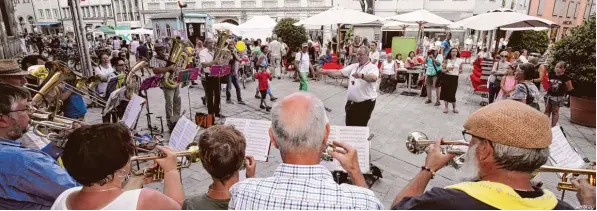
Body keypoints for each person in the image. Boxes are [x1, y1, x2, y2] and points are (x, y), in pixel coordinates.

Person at [391, 100, 574, 210]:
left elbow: (397, 207)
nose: (468, 145)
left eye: (472, 140)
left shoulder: (444, 202)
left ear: (485, 150)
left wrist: (428, 169)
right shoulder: (563, 208)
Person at [229, 92, 384, 209]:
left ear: (273, 138)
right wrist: (355, 172)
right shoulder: (363, 202)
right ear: (326, 134)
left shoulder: (241, 193)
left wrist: (251, 178)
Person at [51, 123, 184, 210]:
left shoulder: (63, 198)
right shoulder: (147, 198)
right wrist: (171, 171)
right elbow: (180, 208)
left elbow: (119, 203)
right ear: (120, 169)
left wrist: (136, 180)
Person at [0, 83, 79, 209]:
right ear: (2, 120)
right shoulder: (28, 161)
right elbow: (79, 195)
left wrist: (58, 143)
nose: (31, 112)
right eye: (25, 109)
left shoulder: (27, 161)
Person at [182, 125, 256, 210]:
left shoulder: (191, 205)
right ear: (241, 162)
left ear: (204, 165)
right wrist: (252, 179)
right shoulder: (254, 202)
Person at [321, 46, 379, 127]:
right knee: (349, 126)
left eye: (360, 55)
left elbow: (373, 78)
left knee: (359, 128)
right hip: (351, 104)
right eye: (357, 55)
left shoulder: (372, 67)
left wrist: (362, 75)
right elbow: (339, 72)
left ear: (367, 54)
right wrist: (325, 71)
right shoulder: (354, 66)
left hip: (365, 104)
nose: (358, 57)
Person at [151, 45, 181, 130]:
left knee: (177, 101)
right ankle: (170, 123)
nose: (163, 52)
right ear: (156, 51)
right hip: (166, 83)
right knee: (169, 104)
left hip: (175, 81)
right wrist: (169, 68)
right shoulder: (154, 59)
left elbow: (176, 65)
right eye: (161, 50)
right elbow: (155, 70)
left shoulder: (168, 56)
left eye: (164, 50)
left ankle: (176, 120)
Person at [199, 38, 226, 118]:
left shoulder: (216, 51)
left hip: (217, 75)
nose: (213, 44)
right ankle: (211, 114)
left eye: (213, 43)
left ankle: (217, 112)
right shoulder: (202, 52)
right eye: (210, 43)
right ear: (206, 44)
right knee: (210, 96)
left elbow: (220, 62)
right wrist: (214, 62)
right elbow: (203, 64)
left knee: (218, 95)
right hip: (208, 76)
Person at [544, 61, 573, 127]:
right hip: (549, 95)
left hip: (558, 97)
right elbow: (548, 83)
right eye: (556, 66)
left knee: (555, 112)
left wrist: (563, 93)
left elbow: (570, 88)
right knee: (547, 110)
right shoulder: (552, 75)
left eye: (560, 67)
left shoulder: (565, 78)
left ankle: (553, 127)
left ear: (564, 69)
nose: (557, 68)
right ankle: (544, 126)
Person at [440, 48, 462, 113]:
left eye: (455, 51)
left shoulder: (459, 60)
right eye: (453, 51)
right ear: (450, 52)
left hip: (454, 78)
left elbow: (461, 70)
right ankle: (446, 107)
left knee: (452, 93)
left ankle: (454, 107)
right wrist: (447, 70)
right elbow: (442, 70)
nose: (454, 53)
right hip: (447, 77)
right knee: (445, 92)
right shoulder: (447, 60)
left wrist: (459, 70)